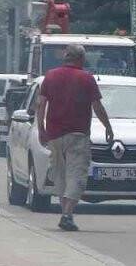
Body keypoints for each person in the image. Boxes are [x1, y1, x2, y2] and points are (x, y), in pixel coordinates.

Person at [35, 44, 114, 232]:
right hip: (77, 135)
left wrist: (41, 129)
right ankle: (67, 214)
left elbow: (41, 104)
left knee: (60, 175)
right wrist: (108, 127)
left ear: (65, 57)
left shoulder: (50, 76)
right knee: (76, 174)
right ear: (81, 58)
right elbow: (97, 107)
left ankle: (66, 214)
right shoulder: (86, 79)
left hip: (54, 134)